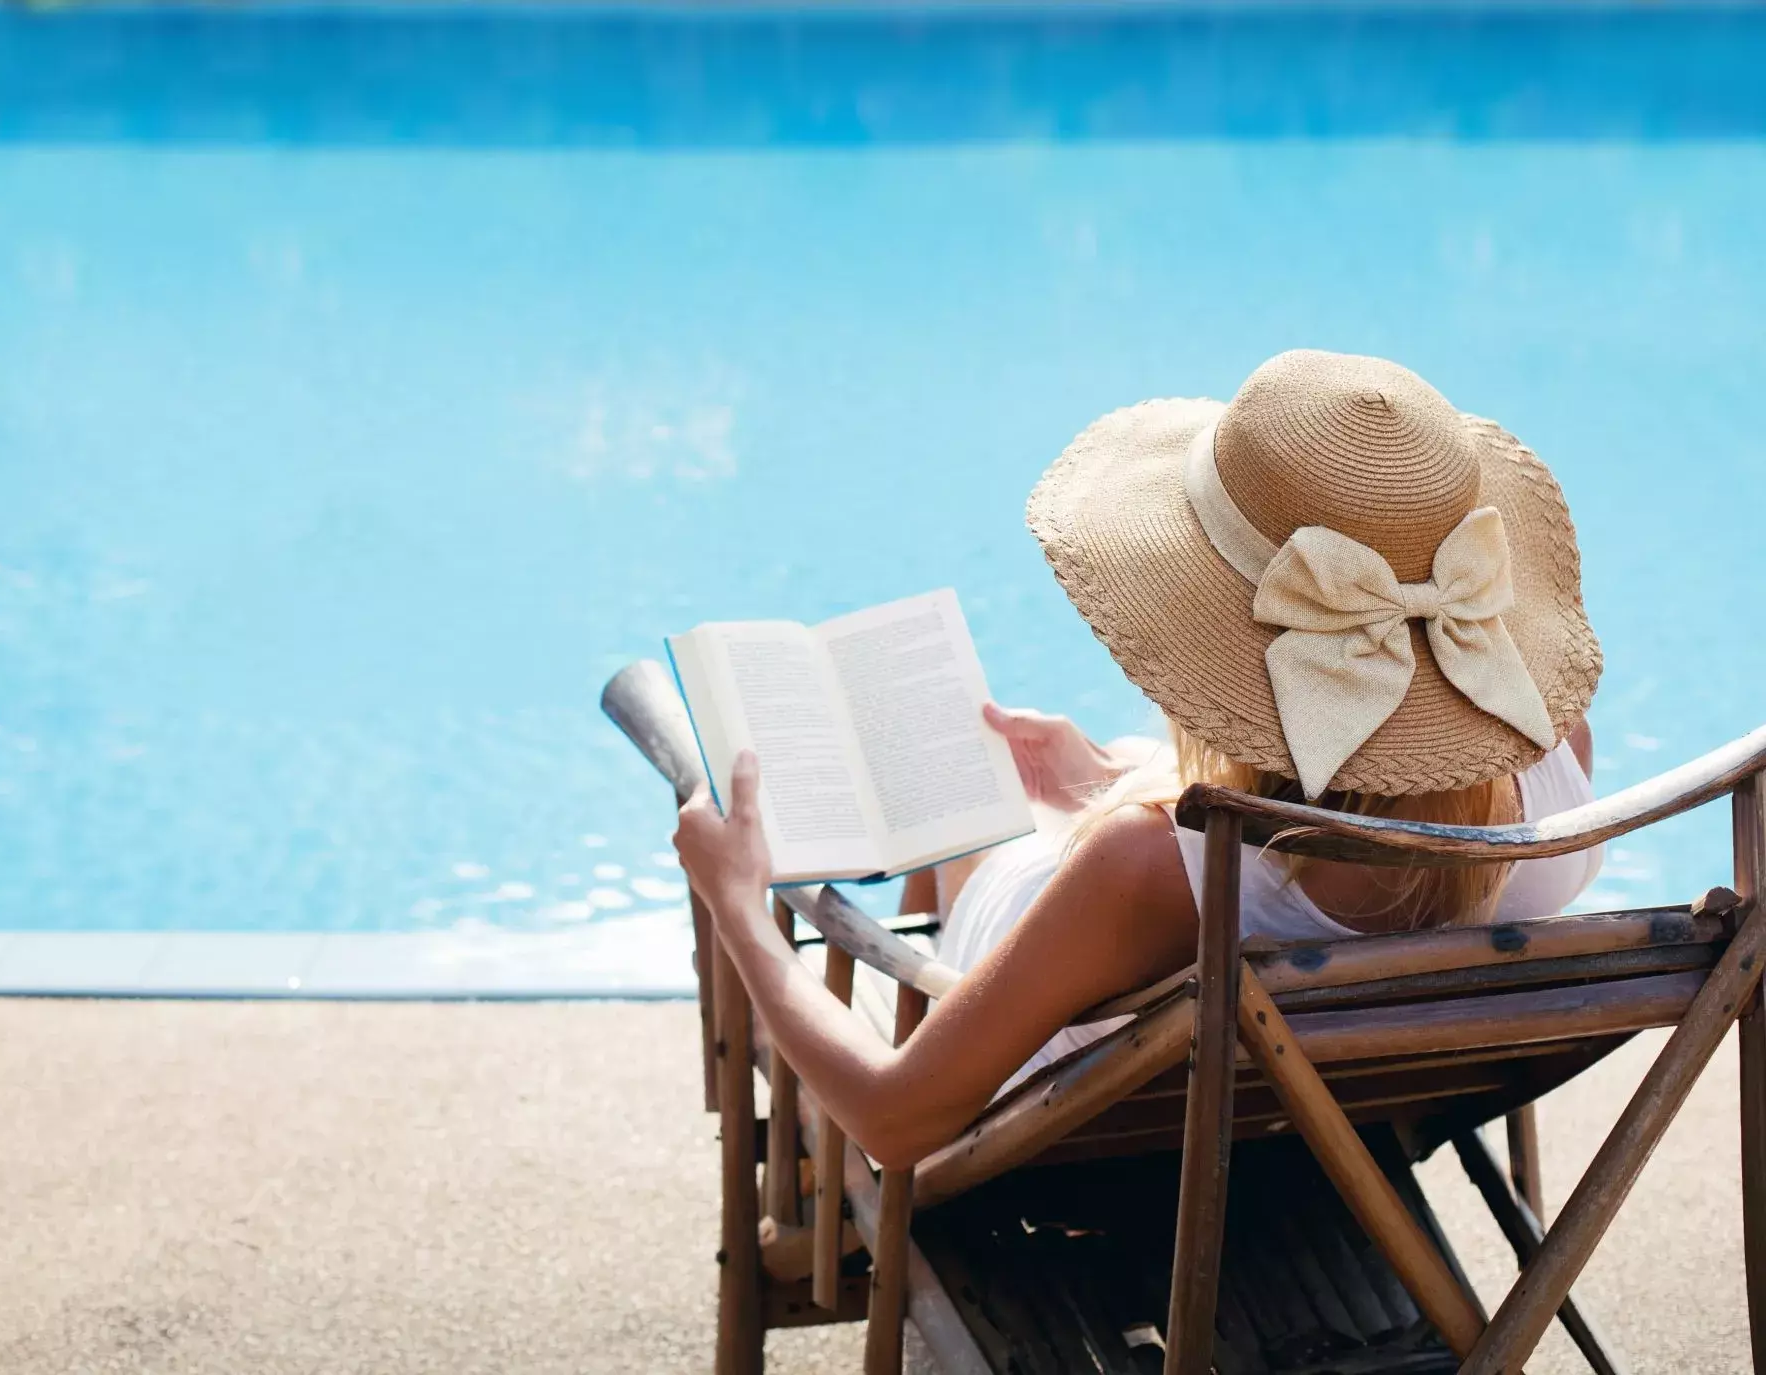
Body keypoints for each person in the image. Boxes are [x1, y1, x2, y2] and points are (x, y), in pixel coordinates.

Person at [672, 350, 1605, 1171]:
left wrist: (742, 907)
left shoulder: (1140, 871)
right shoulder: (1554, 766)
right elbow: (1296, 847)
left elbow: (894, 1116)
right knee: (1018, 802)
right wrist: (1097, 776)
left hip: (1086, 1150)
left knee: (963, 827)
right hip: (1322, 1135)